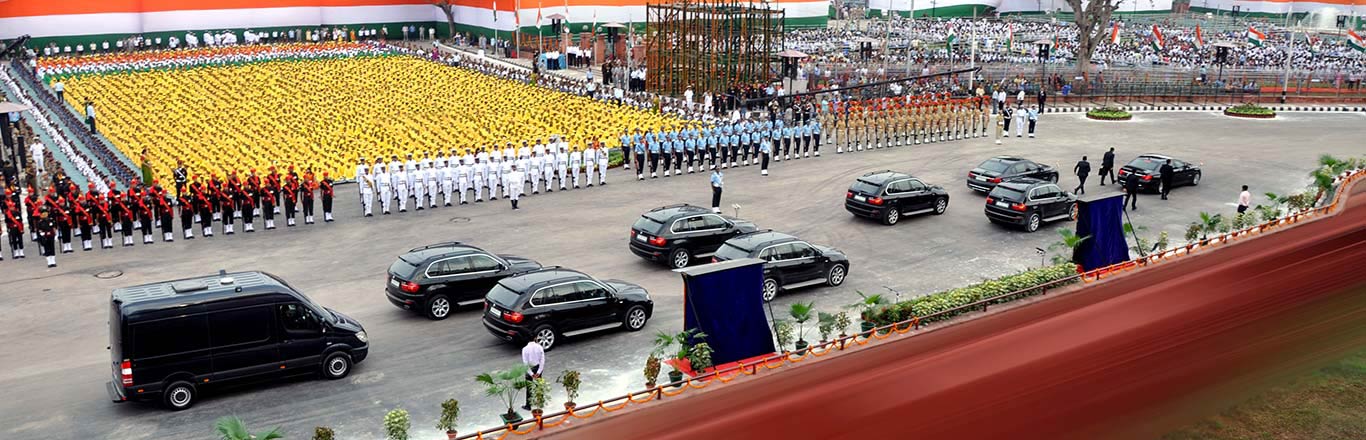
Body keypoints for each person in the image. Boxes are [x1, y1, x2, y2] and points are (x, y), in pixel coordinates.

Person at [520, 340, 545, 410]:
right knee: (539, 386)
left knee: (529, 388)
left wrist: (531, 373)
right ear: (535, 338)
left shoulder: (524, 349)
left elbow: (525, 363)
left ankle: (528, 405)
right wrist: (539, 372)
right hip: (537, 367)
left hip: (529, 369)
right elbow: (542, 361)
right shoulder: (539, 347)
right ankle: (540, 402)